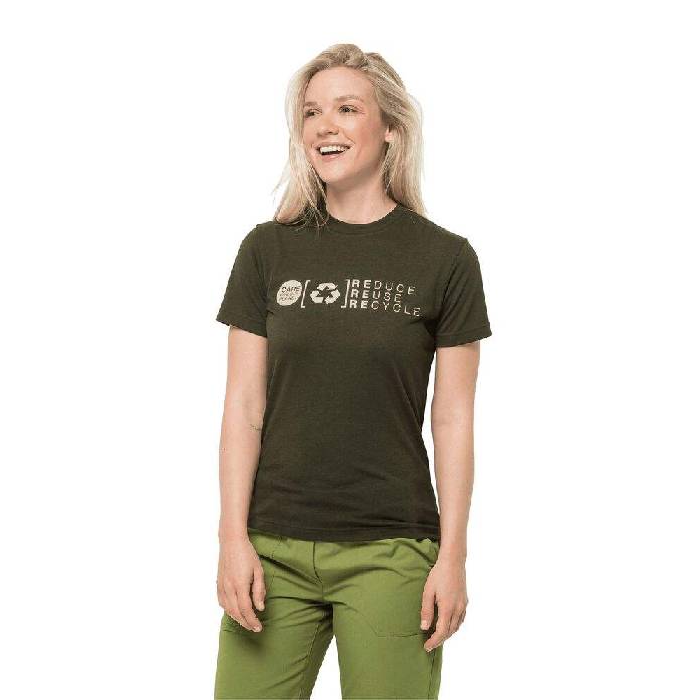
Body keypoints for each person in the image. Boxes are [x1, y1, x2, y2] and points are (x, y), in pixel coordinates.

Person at [212, 43, 492, 699]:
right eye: (311, 112)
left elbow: (453, 419)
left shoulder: (445, 259)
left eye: (346, 109)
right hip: (273, 549)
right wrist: (231, 539)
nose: (324, 127)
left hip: (390, 551)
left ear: (390, 127)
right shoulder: (267, 250)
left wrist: (453, 556)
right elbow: (244, 408)